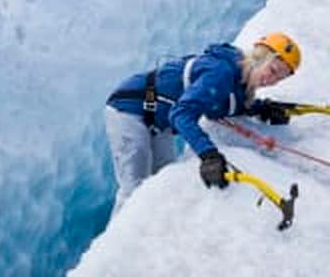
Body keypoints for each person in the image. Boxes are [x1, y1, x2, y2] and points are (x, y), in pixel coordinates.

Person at [105, 32, 301, 212]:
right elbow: (181, 114)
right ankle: (119, 240)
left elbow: (222, 105)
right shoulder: (221, 72)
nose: (272, 80)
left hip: (158, 122)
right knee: (133, 190)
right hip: (129, 110)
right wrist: (208, 155)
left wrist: (262, 109)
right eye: (273, 70)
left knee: (160, 183)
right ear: (260, 57)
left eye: (279, 79)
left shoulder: (240, 83)